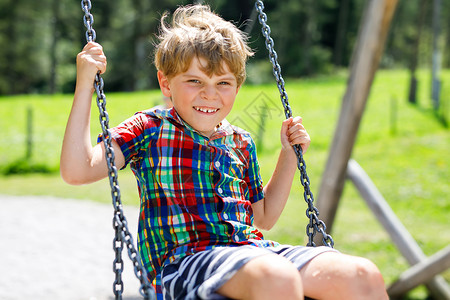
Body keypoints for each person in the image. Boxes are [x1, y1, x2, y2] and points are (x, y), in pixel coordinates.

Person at [61, 4, 388, 300]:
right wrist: (85, 84)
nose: (209, 95)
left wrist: (289, 155)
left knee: (362, 276)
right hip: (184, 262)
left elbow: (263, 218)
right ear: (165, 83)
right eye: (194, 81)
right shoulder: (150, 128)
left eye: (223, 84)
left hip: (252, 250)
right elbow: (78, 170)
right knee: (276, 277)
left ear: (237, 86)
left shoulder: (240, 141)